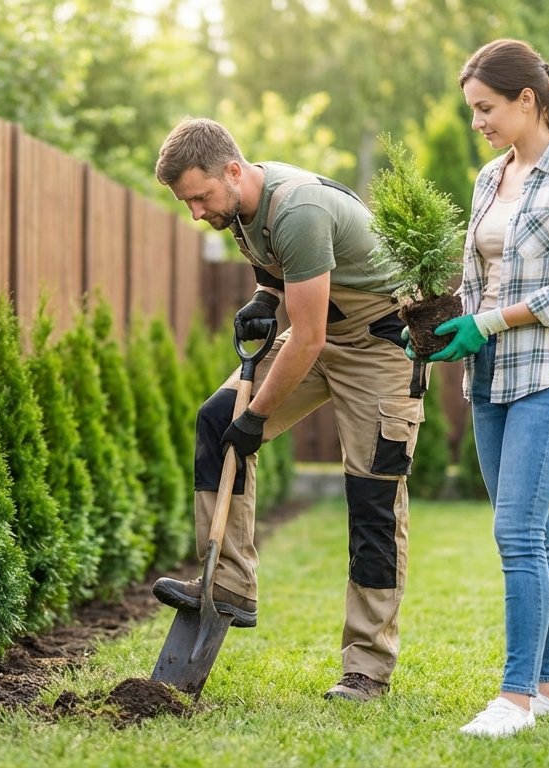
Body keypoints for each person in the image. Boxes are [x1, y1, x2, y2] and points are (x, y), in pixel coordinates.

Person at [151, 117, 426, 703]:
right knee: (215, 420)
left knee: (373, 502)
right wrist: (262, 298)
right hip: (321, 333)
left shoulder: (297, 209)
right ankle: (226, 582)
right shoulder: (241, 209)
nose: (197, 213)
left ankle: (366, 669)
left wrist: (256, 421)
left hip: (377, 348)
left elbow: (305, 337)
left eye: (200, 197)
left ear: (232, 170)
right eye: (187, 203)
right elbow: (284, 285)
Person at [431, 39, 549, 737]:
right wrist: (450, 325)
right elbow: (477, 276)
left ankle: (515, 700)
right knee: (535, 532)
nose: (477, 121)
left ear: (527, 100)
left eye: (486, 108)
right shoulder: (488, 178)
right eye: (473, 109)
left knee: (515, 532)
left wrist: (489, 320)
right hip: (492, 371)